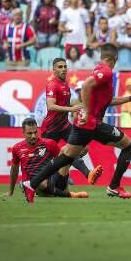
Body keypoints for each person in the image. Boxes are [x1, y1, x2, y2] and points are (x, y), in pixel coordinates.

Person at [22, 43, 131, 202]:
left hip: (82, 124)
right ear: (116, 57)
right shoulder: (106, 72)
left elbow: (107, 100)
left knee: (66, 157)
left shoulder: (98, 69)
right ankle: (114, 187)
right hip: (92, 123)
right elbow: (87, 85)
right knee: (129, 146)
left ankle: (31, 183)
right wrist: (87, 111)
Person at [40, 58, 103, 190]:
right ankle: (33, 181)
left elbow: (66, 104)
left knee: (82, 148)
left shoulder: (65, 84)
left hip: (64, 125)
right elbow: (51, 106)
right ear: (54, 70)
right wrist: (71, 109)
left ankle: (84, 172)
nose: (63, 69)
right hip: (51, 127)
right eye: (60, 67)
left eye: (65, 66)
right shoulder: (52, 84)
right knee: (44, 159)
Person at [3, 118, 89, 199]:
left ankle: (68, 189)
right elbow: (14, 169)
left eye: (35, 132)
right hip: (35, 184)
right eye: (30, 133)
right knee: (41, 183)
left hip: (53, 180)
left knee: (65, 151)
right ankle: (70, 195)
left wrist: (66, 187)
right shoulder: (17, 148)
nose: (33, 136)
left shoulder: (49, 143)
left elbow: (62, 162)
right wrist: (11, 191)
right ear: (23, 133)